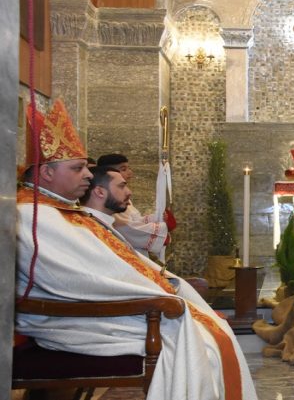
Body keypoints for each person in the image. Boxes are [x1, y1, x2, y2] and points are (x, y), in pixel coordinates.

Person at [16, 100, 257, 400]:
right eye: (77, 168)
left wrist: (161, 286)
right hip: (72, 320)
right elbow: (76, 281)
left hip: (96, 311)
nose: (89, 175)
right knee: (199, 345)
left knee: (205, 333)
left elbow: (96, 272)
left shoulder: (56, 210)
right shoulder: (33, 216)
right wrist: (158, 295)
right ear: (47, 173)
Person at [97, 153, 175, 258]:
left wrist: (158, 217)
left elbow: (136, 220)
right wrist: (161, 231)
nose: (130, 173)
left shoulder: (122, 196)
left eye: (128, 168)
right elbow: (127, 228)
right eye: (123, 169)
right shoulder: (110, 201)